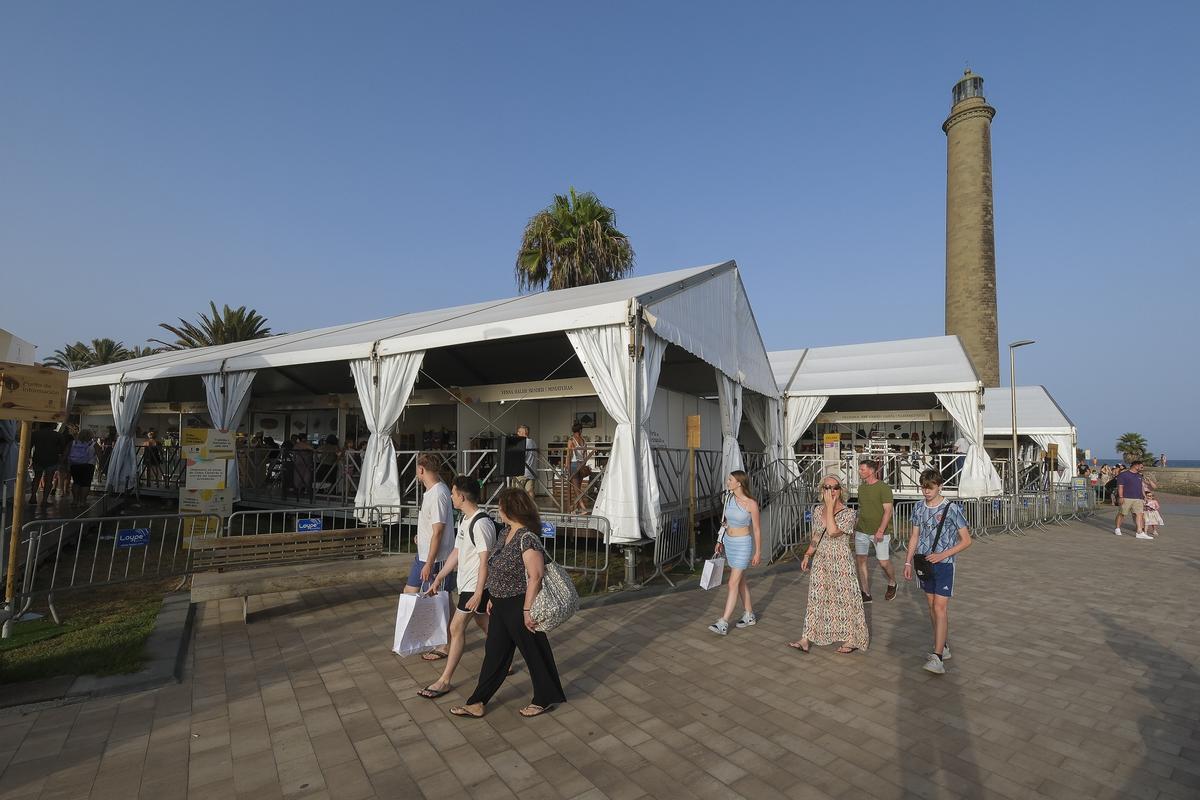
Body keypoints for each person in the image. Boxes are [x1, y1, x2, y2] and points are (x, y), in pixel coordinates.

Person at [451, 488, 566, 719]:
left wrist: (526, 610)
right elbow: (496, 567)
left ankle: (544, 698)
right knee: (494, 654)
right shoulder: (506, 533)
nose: (498, 510)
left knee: (535, 653)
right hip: (501, 606)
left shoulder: (527, 538)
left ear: (510, 510)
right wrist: (493, 597)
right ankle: (477, 702)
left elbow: (536, 576)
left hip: (520, 605)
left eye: (501, 506)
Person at [420, 476, 497, 699]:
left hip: (475, 586)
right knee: (484, 622)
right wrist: (438, 577)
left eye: (453, 493)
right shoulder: (465, 520)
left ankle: (444, 680)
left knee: (456, 628)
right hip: (468, 585)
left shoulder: (481, 523)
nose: (451, 497)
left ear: (461, 496)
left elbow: (485, 560)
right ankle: (505, 657)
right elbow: (457, 553)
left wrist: (479, 592)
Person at [788, 475, 868, 655]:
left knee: (846, 601)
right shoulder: (817, 511)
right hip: (821, 560)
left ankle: (852, 639)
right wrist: (808, 554)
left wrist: (831, 507)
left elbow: (832, 532)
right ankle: (806, 639)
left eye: (835, 487)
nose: (831, 491)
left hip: (841, 561)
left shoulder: (849, 513)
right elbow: (817, 534)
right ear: (821, 490)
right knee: (815, 599)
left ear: (841, 491)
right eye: (827, 487)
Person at [903, 469, 972, 675]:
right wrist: (907, 562)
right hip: (923, 563)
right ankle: (942, 646)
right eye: (923, 487)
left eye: (930, 488)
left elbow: (966, 540)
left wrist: (943, 555)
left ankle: (938, 657)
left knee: (940, 608)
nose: (926, 492)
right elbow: (914, 536)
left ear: (940, 486)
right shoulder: (918, 507)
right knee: (932, 606)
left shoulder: (951, 508)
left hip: (944, 564)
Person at [410, 453, 457, 660]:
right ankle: (450, 630)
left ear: (421, 469)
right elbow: (432, 528)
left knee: (441, 601)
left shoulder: (438, 493)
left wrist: (429, 563)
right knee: (410, 591)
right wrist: (421, 537)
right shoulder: (431, 491)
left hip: (437, 558)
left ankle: (445, 643)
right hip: (425, 553)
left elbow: (439, 530)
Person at [707, 471, 763, 635]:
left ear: (739, 483)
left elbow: (757, 530)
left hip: (743, 545)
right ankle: (749, 614)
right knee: (740, 581)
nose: (727, 482)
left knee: (732, 583)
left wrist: (758, 552)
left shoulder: (751, 504)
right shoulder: (729, 499)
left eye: (730, 479)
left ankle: (723, 622)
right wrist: (720, 540)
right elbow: (725, 523)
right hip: (729, 543)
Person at [853, 460, 897, 603]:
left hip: (880, 532)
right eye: (859, 469)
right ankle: (866, 592)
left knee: (883, 562)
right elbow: (862, 510)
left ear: (871, 471)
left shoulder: (883, 488)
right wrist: (855, 526)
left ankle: (892, 582)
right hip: (862, 531)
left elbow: (888, 511)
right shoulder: (861, 488)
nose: (860, 472)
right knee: (861, 560)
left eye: (862, 469)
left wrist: (880, 530)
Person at [28, 422, 66, 506]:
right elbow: (62, 449)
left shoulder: (35, 434)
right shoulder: (58, 435)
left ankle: (33, 497)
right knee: (49, 480)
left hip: (38, 458)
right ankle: (44, 500)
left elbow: (29, 446)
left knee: (36, 478)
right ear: (52, 425)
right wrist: (61, 459)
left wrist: (29, 458)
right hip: (52, 459)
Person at [1115, 460, 1153, 539]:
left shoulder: (1139, 475)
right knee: (1122, 513)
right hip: (1126, 497)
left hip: (1138, 498)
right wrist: (1121, 497)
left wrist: (1144, 497)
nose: (1142, 468)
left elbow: (1141, 487)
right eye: (1141, 466)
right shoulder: (1123, 475)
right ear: (1136, 465)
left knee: (1139, 514)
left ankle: (1139, 532)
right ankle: (1117, 528)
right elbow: (1120, 486)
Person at [66, 429, 98, 506]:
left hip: (75, 464)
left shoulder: (73, 443)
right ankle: (83, 501)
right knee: (86, 483)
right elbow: (100, 455)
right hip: (88, 465)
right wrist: (101, 466)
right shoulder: (94, 444)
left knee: (76, 482)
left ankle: (75, 500)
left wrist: (65, 463)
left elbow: (66, 453)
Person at [566, 422, 590, 512]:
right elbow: (585, 454)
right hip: (582, 464)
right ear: (580, 430)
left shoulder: (571, 440)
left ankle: (583, 508)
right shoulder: (583, 441)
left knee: (576, 489)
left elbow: (569, 455)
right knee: (578, 488)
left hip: (574, 464)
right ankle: (575, 508)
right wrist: (583, 464)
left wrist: (566, 466)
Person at [516, 424, 537, 497]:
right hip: (531, 471)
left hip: (522, 471)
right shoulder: (533, 442)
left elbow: (521, 457)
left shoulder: (523, 442)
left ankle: (519, 508)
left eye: (519, 432)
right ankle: (531, 507)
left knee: (518, 493)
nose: (517, 434)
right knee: (530, 491)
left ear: (523, 433)